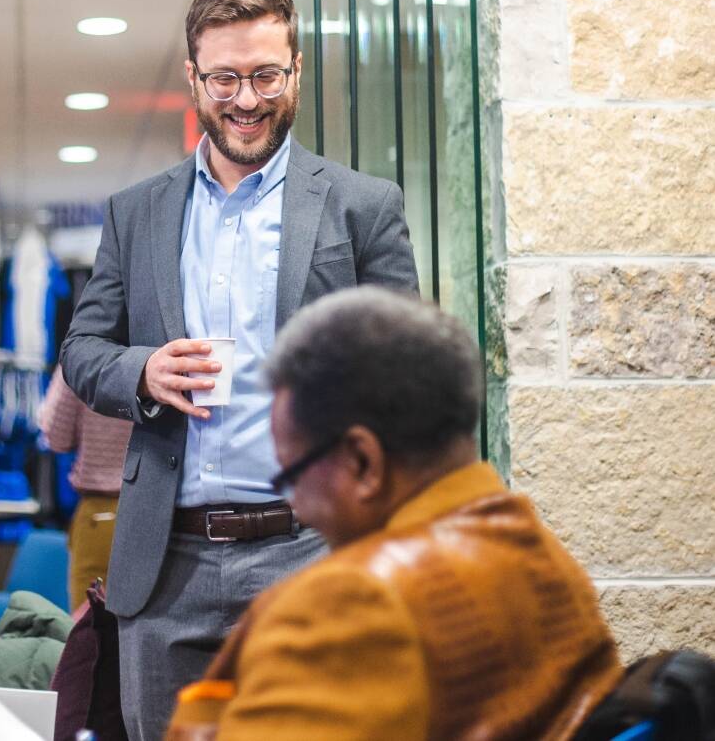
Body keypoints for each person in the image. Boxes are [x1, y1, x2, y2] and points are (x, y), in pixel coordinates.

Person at [61, 0, 419, 740]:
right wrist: (144, 372)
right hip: (165, 566)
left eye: (265, 75)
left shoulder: (362, 206)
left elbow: (410, 367)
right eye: (224, 77)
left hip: (311, 551)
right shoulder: (138, 213)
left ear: (295, 72)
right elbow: (83, 350)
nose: (246, 99)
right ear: (193, 77)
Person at [167, 287, 624, 740]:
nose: (296, 504)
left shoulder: (349, 604)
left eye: (291, 476)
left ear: (363, 463)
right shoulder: (545, 557)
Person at [38, 364, 133, 611]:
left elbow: (57, 436)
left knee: (91, 629)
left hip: (102, 511)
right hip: (164, 511)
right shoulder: (166, 347)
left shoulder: (83, 361)